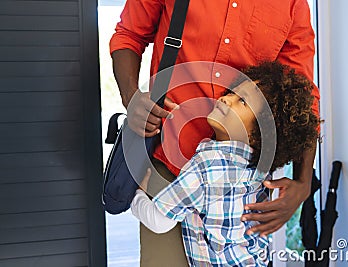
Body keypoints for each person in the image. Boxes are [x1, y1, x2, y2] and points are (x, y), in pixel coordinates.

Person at [110, 0, 319, 265]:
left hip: (240, 182)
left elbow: (303, 95)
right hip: (166, 165)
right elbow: (129, 35)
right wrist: (131, 97)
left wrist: (304, 182)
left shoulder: (292, 5)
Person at [130, 61, 319, 266]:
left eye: (242, 102)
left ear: (258, 134)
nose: (226, 99)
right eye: (232, 93)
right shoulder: (261, 172)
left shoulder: (207, 165)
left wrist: (137, 192)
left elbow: (158, 222)